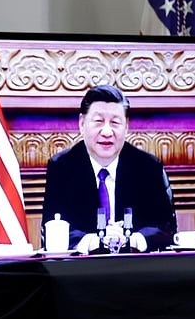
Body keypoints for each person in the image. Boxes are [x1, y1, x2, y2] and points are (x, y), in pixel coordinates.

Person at [41, 84, 176, 253]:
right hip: (80, 272)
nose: (107, 131)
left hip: (137, 270)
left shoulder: (147, 167)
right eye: (98, 121)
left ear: (126, 126)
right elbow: (51, 229)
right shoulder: (62, 167)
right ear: (82, 124)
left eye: (115, 122)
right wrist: (95, 241)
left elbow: (166, 227)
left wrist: (131, 239)